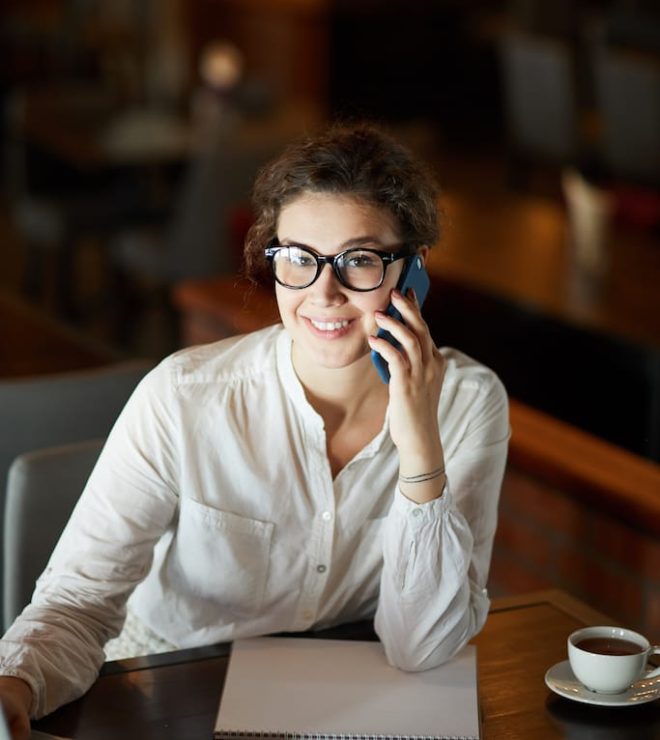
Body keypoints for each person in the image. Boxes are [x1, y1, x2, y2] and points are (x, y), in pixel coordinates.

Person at [0, 122, 509, 739]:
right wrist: (15, 683)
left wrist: (420, 446)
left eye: (359, 260)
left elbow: (422, 647)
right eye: (298, 258)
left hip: (346, 703)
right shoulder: (184, 397)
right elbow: (77, 606)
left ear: (412, 271)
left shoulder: (468, 403)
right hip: (168, 690)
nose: (324, 293)